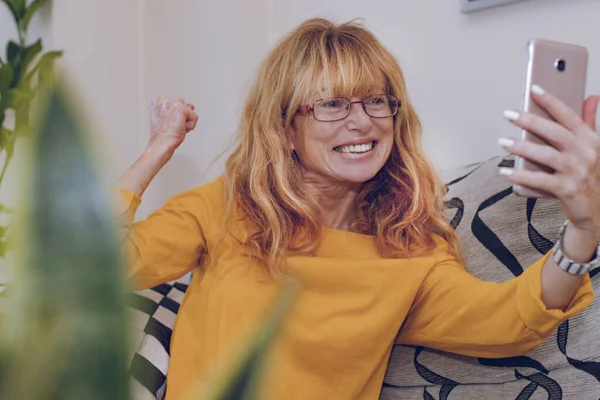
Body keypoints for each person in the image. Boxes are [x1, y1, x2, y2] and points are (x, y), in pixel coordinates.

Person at [116, 18, 599, 400]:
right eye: (332, 105)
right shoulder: (225, 207)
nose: (361, 122)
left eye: (375, 101)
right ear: (286, 130)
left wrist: (582, 229)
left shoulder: (410, 250)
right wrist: (159, 148)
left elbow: (506, 324)